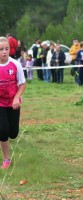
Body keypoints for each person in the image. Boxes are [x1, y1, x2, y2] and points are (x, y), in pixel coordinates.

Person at [0, 36, 26, 169]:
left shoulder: (15, 64)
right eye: (1, 49)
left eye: (7, 49)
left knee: (13, 133)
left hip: (13, 102)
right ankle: (6, 159)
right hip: (0, 104)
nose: (4, 52)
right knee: (3, 130)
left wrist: (16, 98)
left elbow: (22, 84)